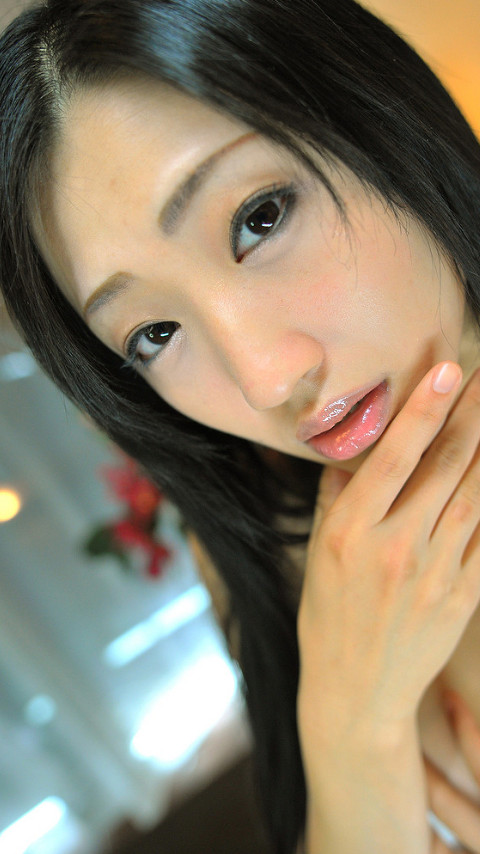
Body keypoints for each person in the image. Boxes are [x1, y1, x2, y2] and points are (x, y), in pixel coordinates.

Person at [1, 0, 480, 850]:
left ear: (380, 118)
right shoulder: (273, 551)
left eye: (260, 218)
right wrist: (349, 733)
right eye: (154, 335)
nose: (267, 378)